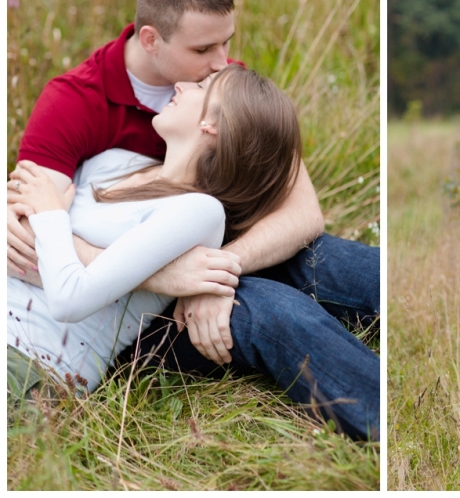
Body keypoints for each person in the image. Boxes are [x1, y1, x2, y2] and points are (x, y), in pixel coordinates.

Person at [7, 0, 380, 441]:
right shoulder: (78, 105)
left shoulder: (229, 89)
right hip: (118, 313)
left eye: (227, 43)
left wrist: (214, 272)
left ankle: (405, 355)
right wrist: (170, 276)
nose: (223, 61)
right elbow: (23, 236)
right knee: (266, 308)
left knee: (319, 266)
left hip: (184, 255)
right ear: (151, 40)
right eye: (204, 49)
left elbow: (304, 213)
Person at [7, 64, 299, 399]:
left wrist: (50, 213)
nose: (181, 85)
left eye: (201, 87)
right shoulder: (116, 160)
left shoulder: (198, 211)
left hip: (28, 361)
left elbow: (69, 299)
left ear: (213, 125)